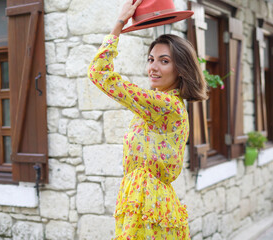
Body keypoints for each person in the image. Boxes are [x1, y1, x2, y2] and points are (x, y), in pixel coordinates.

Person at [88, 0, 207, 239]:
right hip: (142, 203)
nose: (153, 67)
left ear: (180, 69)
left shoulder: (166, 106)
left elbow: (99, 73)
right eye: (151, 59)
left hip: (149, 207)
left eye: (164, 61)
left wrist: (120, 23)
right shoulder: (157, 102)